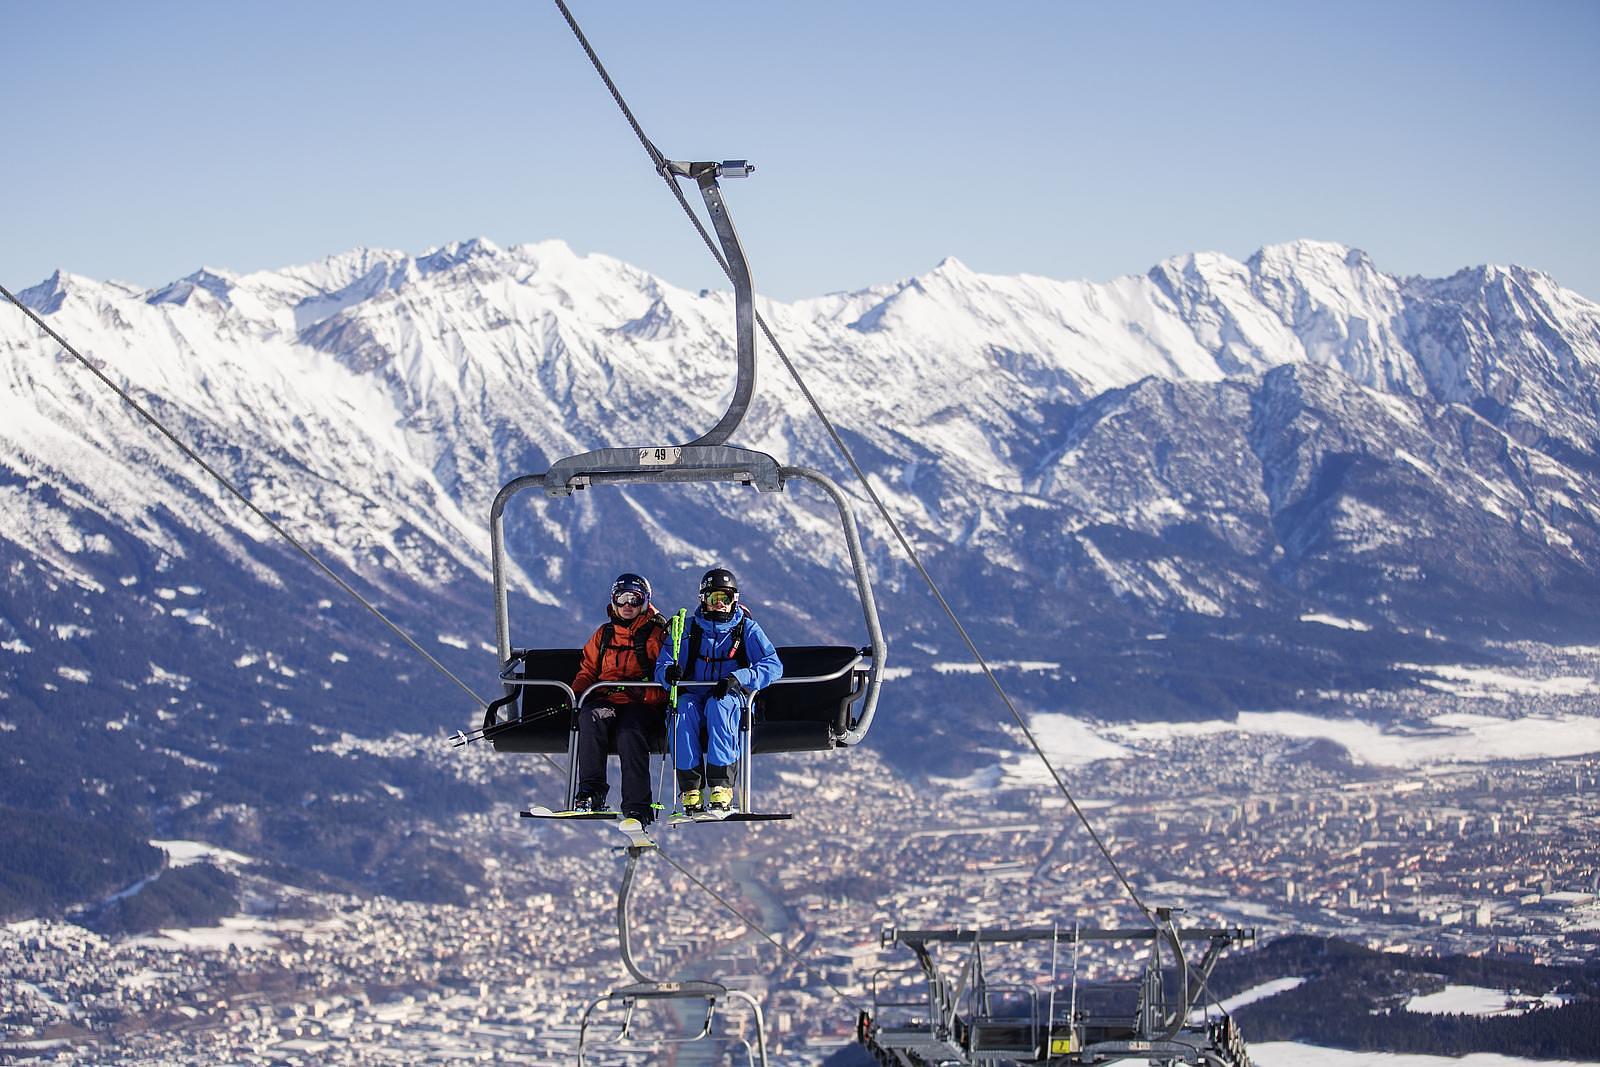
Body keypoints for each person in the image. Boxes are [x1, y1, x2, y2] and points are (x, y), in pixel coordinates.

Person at [654, 567, 782, 814]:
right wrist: (668, 675)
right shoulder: (687, 630)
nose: (720, 605)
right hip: (694, 694)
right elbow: (664, 662)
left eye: (726, 598)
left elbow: (773, 665)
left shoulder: (746, 629)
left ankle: (721, 786)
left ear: (735, 600)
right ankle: (690, 788)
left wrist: (739, 677)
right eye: (714, 599)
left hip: (730, 696)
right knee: (682, 710)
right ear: (704, 599)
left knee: (719, 705)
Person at [572, 573, 669, 823]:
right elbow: (588, 670)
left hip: (643, 705)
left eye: (634, 599)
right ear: (613, 601)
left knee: (629, 731)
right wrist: (577, 695)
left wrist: (643, 693)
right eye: (621, 598)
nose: (627, 606)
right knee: (591, 716)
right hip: (608, 701)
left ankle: (638, 805)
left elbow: (667, 677)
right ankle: (591, 793)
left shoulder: (657, 635)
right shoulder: (604, 635)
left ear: (645, 602)